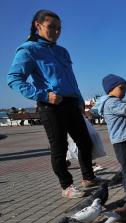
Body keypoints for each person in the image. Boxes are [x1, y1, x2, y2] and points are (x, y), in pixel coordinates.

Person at [7, 10, 98, 198]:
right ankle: (66, 186)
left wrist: (80, 99)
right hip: (51, 106)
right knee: (59, 146)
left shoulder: (62, 51)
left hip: (72, 103)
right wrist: (44, 95)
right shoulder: (28, 49)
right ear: (37, 25)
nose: (56, 32)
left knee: (85, 142)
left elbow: (71, 79)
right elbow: (14, 79)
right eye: (51, 27)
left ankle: (88, 178)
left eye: (59, 28)